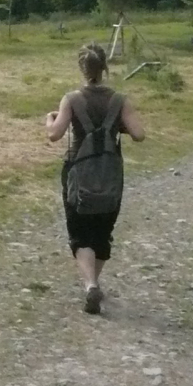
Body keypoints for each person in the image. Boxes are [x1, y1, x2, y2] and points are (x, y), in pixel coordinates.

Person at [43, 43, 146, 314]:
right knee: (103, 230)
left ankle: (90, 285)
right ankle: (94, 282)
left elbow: (54, 134)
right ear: (104, 68)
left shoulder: (72, 99)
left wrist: (49, 119)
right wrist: (116, 125)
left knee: (80, 232)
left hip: (79, 170)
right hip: (110, 172)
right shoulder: (119, 100)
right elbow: (139, 134)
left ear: (82, 68)